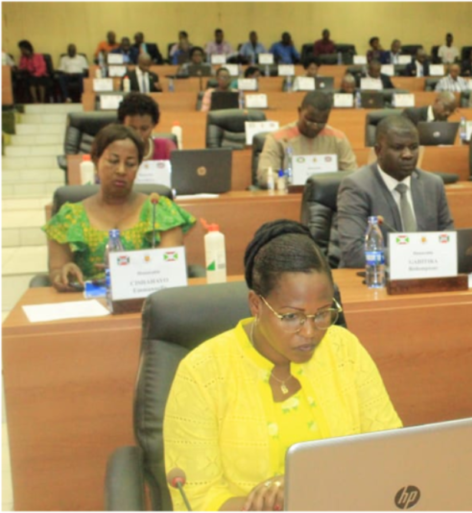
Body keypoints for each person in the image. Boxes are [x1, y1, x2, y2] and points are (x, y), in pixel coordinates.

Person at [163, 219, 401, 513]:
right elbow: (196, 499)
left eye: (323, 313)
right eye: (291, 316)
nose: (311, 331)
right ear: (255, 305)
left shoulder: (344, 349)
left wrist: (304, 485)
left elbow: (389, 450)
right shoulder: (202, 373)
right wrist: (278, 503)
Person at [43, 124, 195, 291]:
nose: (121, 170)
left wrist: (127, 269)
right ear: (95, 160)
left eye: (130, 164)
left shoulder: (159, 210)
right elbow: (56, 271)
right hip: (87, 304)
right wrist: (63, 274)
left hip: (146, 301)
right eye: (113, 161)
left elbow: (171, 267)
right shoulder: (69, 217)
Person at [337, 115, 455, 268]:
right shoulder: (356, 186)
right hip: (374, 279)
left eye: (413, 147)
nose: (408, 155)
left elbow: (448, 237)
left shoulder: (432, 184)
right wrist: (416, 255)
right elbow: (354, 253)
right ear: (378, 151)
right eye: (398, 148)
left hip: (426, 274)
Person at [256, 91, 357, 187]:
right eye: (310, 121)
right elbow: (265, 175)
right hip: (289, 195)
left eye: (321, 123)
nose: (314, 127)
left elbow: (353, 175)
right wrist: (287, 176)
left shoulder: (338, 139)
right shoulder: (278, 138)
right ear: (299, 111)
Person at [118, 93, 176, 160]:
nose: (138, 134)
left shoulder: (166, 148)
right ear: (122, 125)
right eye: (132, 128)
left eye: (144, 129)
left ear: (153, 125)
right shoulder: (113, 150)